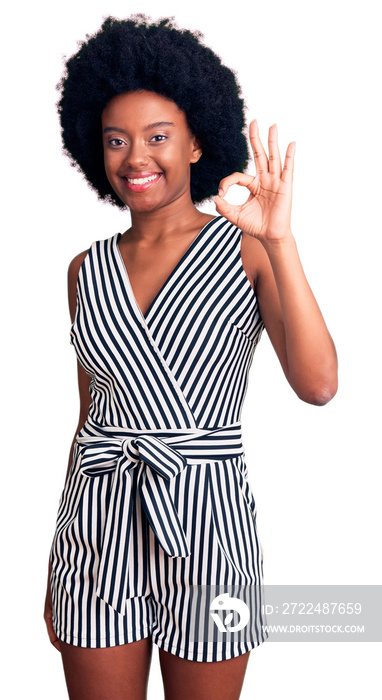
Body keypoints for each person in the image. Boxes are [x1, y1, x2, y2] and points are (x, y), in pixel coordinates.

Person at [44, 14, 338, 700]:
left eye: (157, 137)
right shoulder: (84, 271)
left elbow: (320, 384)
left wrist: (281, 241)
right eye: (116, 140)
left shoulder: (249, 250)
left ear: (198, 141)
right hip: (97, 523)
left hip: (207, 522)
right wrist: (59, 557)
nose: (135, 158)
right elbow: (90, 420)